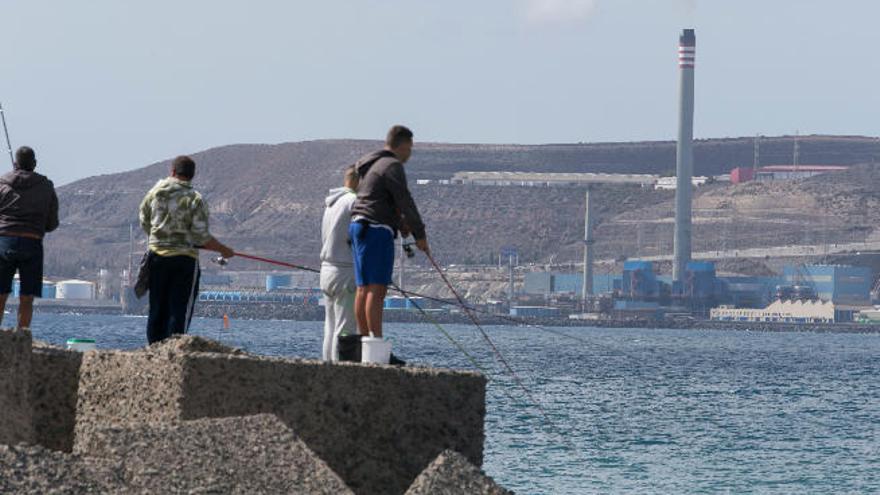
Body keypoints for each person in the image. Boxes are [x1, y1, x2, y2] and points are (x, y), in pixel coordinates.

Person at [139, 155, 234, 344]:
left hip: (156, 257)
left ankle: (153, 352)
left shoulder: (155, 193)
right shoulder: (195, 199)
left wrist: (159, 238)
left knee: (156, 308)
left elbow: (144, 219)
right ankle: (174, 352)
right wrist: (224, 250)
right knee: (178, 310)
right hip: (184, 262)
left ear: (172, 172)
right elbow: (202, 237)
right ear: (191, 176)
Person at [350, 125, 429, 346]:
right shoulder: (392, 165)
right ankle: (375, 345)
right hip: (376, 230)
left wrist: (399, 223)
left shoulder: (372, 164)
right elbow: (405, 200)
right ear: (402, 146)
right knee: (377, 289)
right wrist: (419, 234)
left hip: (358, 226)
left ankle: (364, 343)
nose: (409, 154)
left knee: (363, 288)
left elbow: (378, 199)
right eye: (410, 149)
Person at [0, 146, 59, 329]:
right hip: (32, 241)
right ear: (34, 164)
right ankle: (22, 335)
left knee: (0, 294)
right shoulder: (46, 186)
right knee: (27, 297)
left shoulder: (2, 184)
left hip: (4, 241)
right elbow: (52, 223)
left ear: (16, 164)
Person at [319, 166, 359, 361]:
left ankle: (327, 365)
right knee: (345, 329)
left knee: (330, 326)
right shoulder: (354, 202)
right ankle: (340, 368)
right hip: (345, 271)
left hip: (326, 270)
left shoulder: (331, 204)